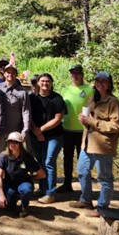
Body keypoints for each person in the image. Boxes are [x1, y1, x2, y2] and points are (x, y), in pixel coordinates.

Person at [71, 71, 119, 217]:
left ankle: (102, 208)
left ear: (109, 84)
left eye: (103, 81)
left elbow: (116, 126)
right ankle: (86, 200)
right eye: (97, 81)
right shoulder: (92, 99)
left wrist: (92, 122)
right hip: (87, 143)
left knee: (104, 178)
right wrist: (84, 120)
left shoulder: (114, 102)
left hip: (103, 146)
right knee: (82, 170)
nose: (100, 84)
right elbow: (88, 120)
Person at [29, 73, 67, 204]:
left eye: (48, 81)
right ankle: (42, 188)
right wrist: (36, 131)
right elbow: (29, 116)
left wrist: (41, 130)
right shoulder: (32, 98)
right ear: (38, 83)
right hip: (34, 135)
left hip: (54, 136)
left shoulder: (57, 98)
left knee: (49, 162)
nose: (45, 84)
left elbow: (58, 118)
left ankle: (50, 193)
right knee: (40, 162)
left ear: (51, 83)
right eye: (42, 81)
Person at [58, 64, 94, 194]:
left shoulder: (89, 90)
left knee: (83, 160)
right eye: (73, 73)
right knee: (67, 158)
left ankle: (84, 188)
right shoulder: (65, 90)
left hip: (83, 131)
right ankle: (67, 183)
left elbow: (94, 108)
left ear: (82, 75)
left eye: (78, 73)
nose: (75, 75)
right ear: (70, 75)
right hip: (67, 129)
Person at [0, 132, 45, 218]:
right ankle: (12, 203)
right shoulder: (3, 156)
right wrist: (1, 194)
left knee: (26, 190)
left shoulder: (27, 157)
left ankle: (24, 206)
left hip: (23, 182)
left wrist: (30, 177)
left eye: (16, 142)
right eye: (10, 141)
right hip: (9, 183)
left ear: (21, 144)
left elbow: (42, 174)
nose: (12, 144)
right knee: (10, 203)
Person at [0, 63, 31, 165]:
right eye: (8, 72)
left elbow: (26, 112)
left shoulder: (22, 92)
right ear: (4, 74)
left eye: (13, 72)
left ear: (16, 74)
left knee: (16, 158)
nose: (10, 74)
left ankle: (14, 179)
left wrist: (25, 131)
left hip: (15, 131)